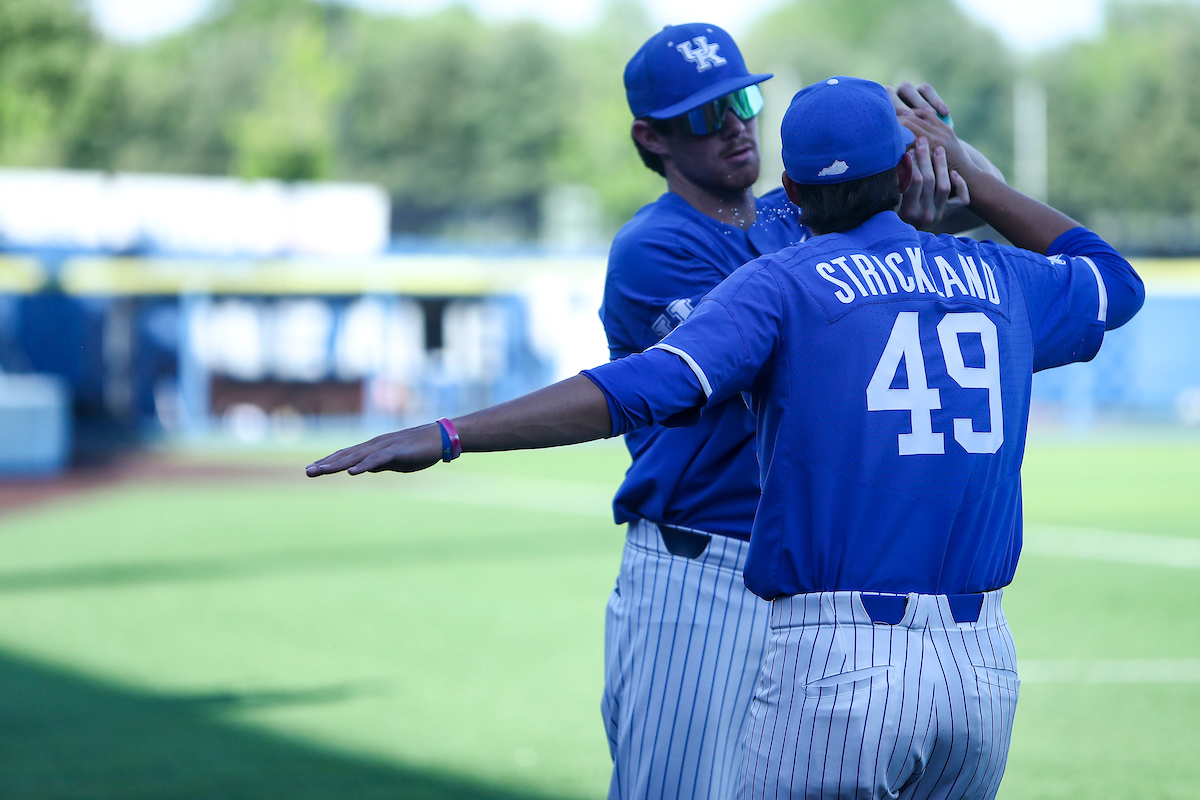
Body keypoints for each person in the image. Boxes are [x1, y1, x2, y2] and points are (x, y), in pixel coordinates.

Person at [307, 75, 1144, 798]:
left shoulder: (781, 282)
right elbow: (1114, 279)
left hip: (840, 659)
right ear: (904, 172)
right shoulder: (999, 279)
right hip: (981, 668)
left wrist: (454, 431)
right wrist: (975, 179)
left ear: (793, 186)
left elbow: (641, 387)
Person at [600, 22, 1000, 799]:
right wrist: (880, 203)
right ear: (652, 139)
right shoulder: (658, 246)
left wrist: (928, 153)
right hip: (701, 571)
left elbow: (956, 215)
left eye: (742, 99)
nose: (731, 125)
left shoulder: (805, 216)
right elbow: (772, 342)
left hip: (818, 584)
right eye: (698, 116)